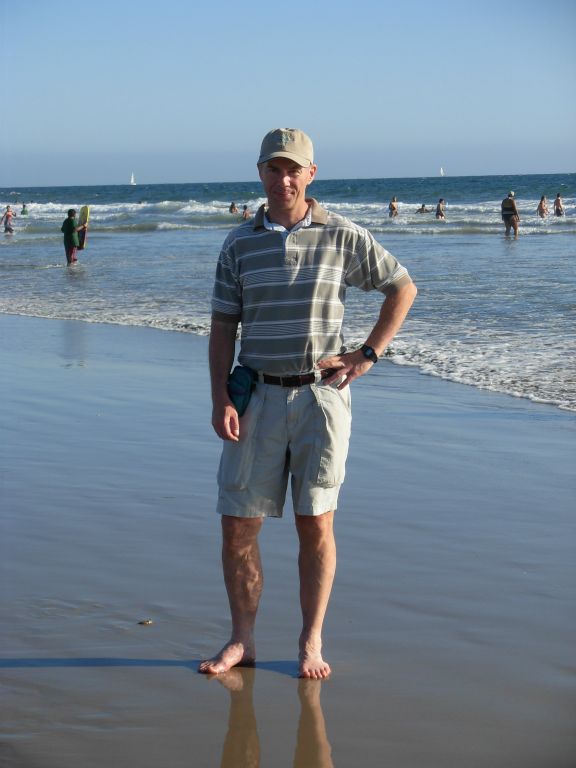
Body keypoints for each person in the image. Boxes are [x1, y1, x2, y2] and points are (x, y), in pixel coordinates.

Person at [199, 128, 417, 680]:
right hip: (256, 397)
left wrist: (366, 355)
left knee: (315, 523)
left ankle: (310, 641)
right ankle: (241, 640)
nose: (284, 179)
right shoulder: (238, 243)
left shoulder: (343, 236)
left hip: (322, 398)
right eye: (274, 168)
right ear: (260, 173)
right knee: (237, 524)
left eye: (293, 169)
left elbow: (402, 287)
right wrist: (220, 394)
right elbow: (223, 324)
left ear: (311, 174)